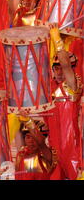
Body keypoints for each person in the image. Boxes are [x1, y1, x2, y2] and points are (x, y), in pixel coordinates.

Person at [45, 27, 83, 179]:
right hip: (55, 150)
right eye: (56, 69)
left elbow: (66, 65)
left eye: (62, 69)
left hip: (73, 150)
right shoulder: (50, 88)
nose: (59, 72)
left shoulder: (74, 85)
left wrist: (57, 41)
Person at [15, 112, 58, 180]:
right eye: (28, 137)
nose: (31, 141)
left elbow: (41, 143)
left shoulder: (47, 154)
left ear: (43, 138)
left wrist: (29, 122)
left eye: (34, 138)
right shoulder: (21, 153)